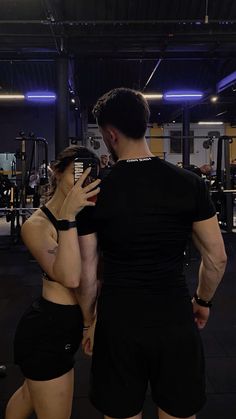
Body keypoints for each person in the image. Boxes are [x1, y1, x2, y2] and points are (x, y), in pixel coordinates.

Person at [78, 87, 227, 419]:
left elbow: (88, 270)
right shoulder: (190, 183)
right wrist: (202, 302)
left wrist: (89, 322)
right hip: (174, 318)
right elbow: (217, 258)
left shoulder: (94, 192)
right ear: (144, 124)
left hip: (118, 323)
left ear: (110, 134)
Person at [5, 145, 101, 419]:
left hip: (70, 324)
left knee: (28, 394)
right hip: (48, 330)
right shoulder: (37, 226)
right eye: (76, 174)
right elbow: (71, 276)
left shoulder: (88, 218)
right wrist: (68, 216)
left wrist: (91, 321)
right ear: (58, 172)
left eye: (89, 178)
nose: (82, 184)